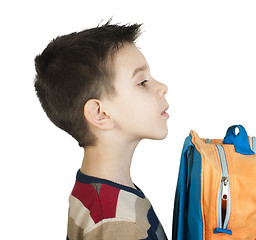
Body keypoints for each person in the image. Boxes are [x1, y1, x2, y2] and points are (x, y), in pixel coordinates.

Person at [34, 21, 169, 240]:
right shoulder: (118, 224)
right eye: (142, 82)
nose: (162, 87)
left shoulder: (96, 190)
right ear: (100, 113)